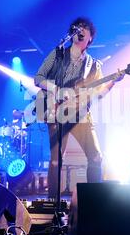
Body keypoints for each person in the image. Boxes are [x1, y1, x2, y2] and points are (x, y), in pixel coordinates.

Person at [34, 17, 124, 199]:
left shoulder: (94, 65)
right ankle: (53, 203)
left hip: (82, 115)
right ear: (72, 33)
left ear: (90, 38)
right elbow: (38, 78)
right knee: (55, 161)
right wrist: (57, 89)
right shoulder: (58, 54)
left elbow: (98, 94)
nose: (80, 30)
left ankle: (95, 201)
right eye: (77, 27)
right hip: (56, 112)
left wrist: (113, 82)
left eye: (84, 28)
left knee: (96, 157)